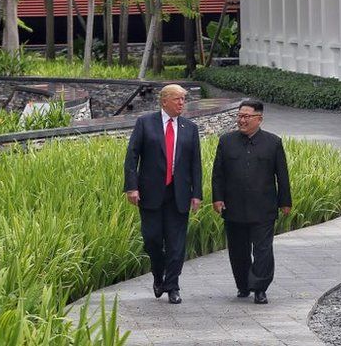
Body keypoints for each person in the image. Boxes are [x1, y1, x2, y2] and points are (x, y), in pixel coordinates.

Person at [124, 84, 203, 305]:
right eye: (178, 99)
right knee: (152, 240)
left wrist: (196, 193)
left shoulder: (190, 127)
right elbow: (132, 157)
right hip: (150, 194)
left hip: (179, 195)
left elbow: (195, 164)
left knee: (177, 244)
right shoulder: (145, 123)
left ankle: (173, 286)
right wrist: (132, 187)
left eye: (184, 99)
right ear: (165, 101)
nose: (182, 103)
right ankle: (159, 275)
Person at [212, 99, 291, 305]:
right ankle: (243, 285)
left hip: (263, 207)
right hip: (233, 205)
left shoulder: (273, 142)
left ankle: (260, 288)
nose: (242, 120)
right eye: (239, 116)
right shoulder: (226, 141)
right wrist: (218, 198)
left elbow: (282, 175)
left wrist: (285, 201)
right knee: (238, 250)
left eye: (247, 116)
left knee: (263, 249)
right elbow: (218, 174)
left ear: (259, 119)